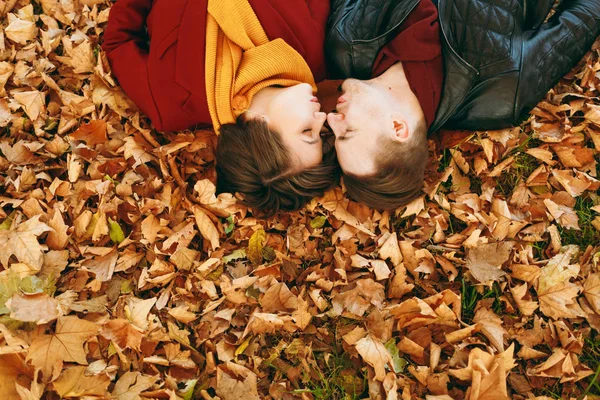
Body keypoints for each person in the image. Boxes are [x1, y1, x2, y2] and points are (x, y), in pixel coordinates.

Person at [325, 0, 600, 210]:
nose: (332, 120)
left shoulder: (346, 42)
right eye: (346, 132)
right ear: (398, 127)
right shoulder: (502, 92)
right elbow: (587, 13)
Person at [102, 0, 339, 215]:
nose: (320, 118)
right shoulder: (313, 51)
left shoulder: (169, 103)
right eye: (321, 133)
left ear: (261, 128)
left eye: (308, 132)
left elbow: (118, 41)